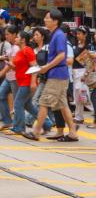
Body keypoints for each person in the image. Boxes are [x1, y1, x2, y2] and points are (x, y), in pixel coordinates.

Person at [28, 9, 79, 142]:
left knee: (44, 102)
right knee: (62, 104)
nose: (45, 19)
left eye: (47, 18)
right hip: (57, 74)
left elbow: (62, 55)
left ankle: (36, 132)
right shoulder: (54, 34)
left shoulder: (59, 35)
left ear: (55, 21)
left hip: (57, 74)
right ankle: (73, 133)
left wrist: (46, 67)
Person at [0, 24, 19, 131]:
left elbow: (10, 63)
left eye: (8, 34)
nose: (6, 36)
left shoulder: (13, 46)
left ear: (15, 35)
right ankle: (7, 121)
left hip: (15, 77)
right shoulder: (10, 46)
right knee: (0, 95)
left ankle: (45, 123)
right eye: (5, 34)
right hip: (8, 76)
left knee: (19, 102)